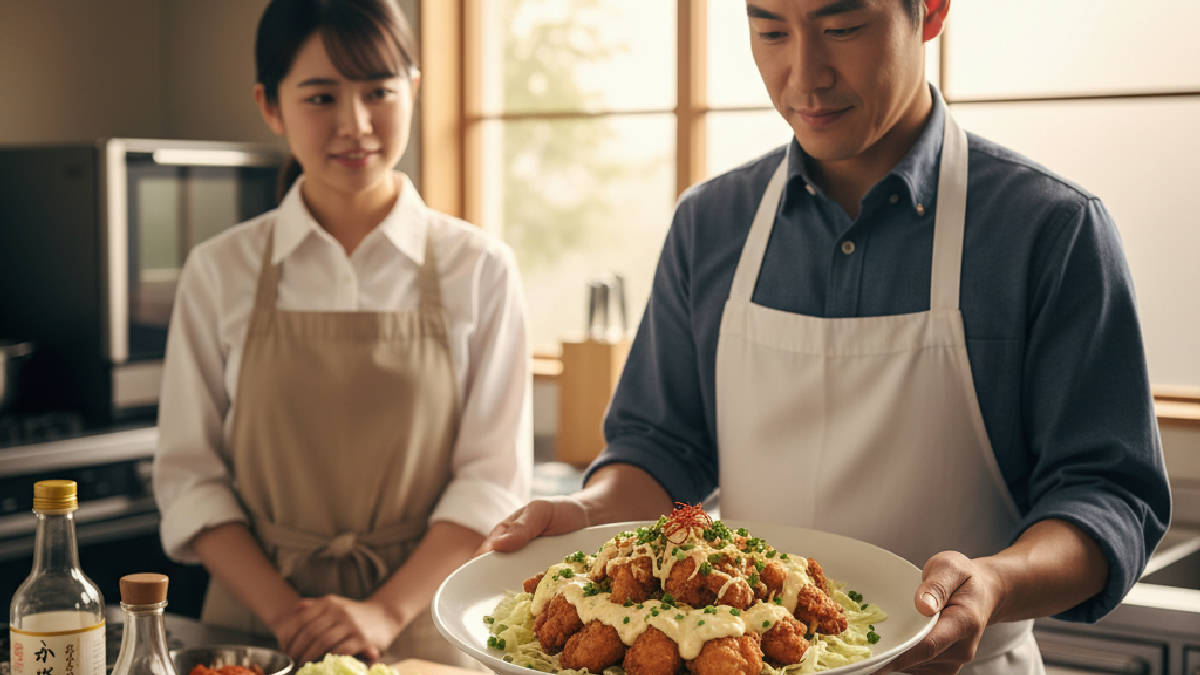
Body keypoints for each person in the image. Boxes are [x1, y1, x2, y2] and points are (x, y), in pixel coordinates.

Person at [482, 1, 1171, 673]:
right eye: (771, 29)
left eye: (841, 27)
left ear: (930, 12)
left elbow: (1107, 493)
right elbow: (661, 448)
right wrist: (587, 515)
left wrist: (997, 581)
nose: (804, 74)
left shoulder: (1049, 230)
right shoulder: (710, 225)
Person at [153, 0, 530, 668]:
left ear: (413, 89)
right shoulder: (220, 270)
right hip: (253, 632)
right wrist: (291, 617)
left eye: (378, 92)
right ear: (271, 106)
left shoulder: (481, 268)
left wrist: (382, 612)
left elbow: (492, 482)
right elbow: (191, 479)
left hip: (422, 625)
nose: (355, 125)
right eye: (321, 97)